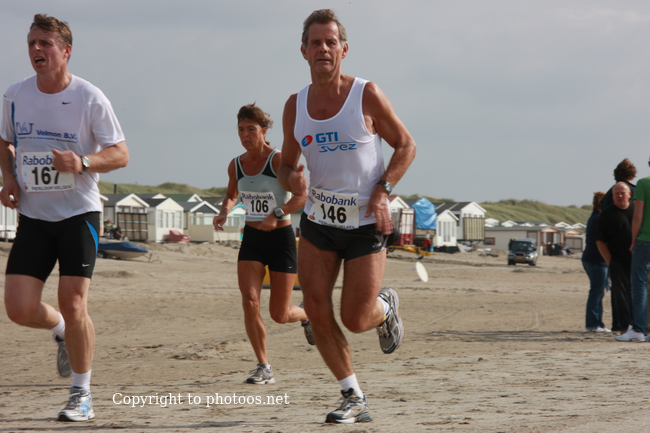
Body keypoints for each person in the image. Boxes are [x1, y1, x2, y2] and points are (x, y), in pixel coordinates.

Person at [278, 9, 416, 423]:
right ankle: (353, 396)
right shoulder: (295, 106)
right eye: (315, 42)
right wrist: (293, 180)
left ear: (344, 49)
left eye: (330, 41)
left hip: (366, 223)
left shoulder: (365, 95)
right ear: (303, 51)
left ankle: (384, 307)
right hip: (318, 222)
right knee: (316, 308)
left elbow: (406, 145)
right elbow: (286, 166)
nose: (323, 48)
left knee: (355, 318)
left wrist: (383, 189)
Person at [0, 14, 128, 421]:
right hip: (34, 216)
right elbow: (4, 141)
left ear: (66, 51)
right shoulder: (15, 94)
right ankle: (60, 331)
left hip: (79, 214)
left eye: (46, 43)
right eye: (32, 43)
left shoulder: (90, 97)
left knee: (73, 303)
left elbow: (120, 154)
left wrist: (83, 162)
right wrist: (8, 178)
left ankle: (81, 394)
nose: (36, 49)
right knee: (18, 309)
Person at [212, 103, 311, 385]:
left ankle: (307, 315)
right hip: (252, 240)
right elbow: (232, 194)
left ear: (264, 131)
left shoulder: (277, 160)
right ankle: (263, 366)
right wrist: (224, 211)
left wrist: (276, 213)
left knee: (279, 314)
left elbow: (302, 196)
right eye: (241, 130)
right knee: (249, 301)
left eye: (251, 129)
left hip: (281, 240)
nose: (245, 135)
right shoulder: (236, 164)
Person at [596, 183, 636, 340]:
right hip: (617, 261)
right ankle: (623, 327)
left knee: (639, 293)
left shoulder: (637, 210)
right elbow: (600, 240)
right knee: (620, 295)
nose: (620, 196)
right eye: (616, 193)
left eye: (622, 193)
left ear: (629, 194)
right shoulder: (607, 214)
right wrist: (610, 261)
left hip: (638, 260)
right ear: (612, 196)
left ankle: (639, 326)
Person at [629, 157, 650, 343]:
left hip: (645, 239)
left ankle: (638, 329)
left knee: (639, 283)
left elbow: (637, 216)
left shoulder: (643, 183)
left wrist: (633, 240)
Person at [582, 192, 610, 333]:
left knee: (598, 291)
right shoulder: (599, 218)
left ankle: (597, 323)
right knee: (597, 292)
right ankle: (593, 324)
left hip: (591, 259)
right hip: (597, 260)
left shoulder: (594, 216)